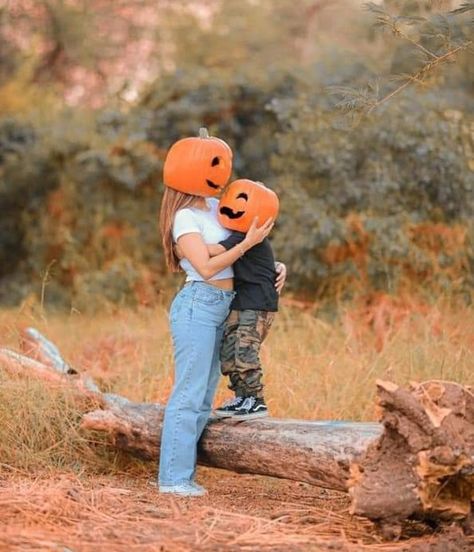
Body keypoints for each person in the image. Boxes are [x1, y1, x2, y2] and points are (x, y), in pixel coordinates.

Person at [158, 185, 274, 497]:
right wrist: (249, 243)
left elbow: (235, 248)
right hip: (200, 303)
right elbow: (207, 267)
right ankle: (173, 479)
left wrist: (273, 265)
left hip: (228, 302)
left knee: (205, 396)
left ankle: (183, 475)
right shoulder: (183, 216)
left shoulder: (215, 205)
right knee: (189, 393)